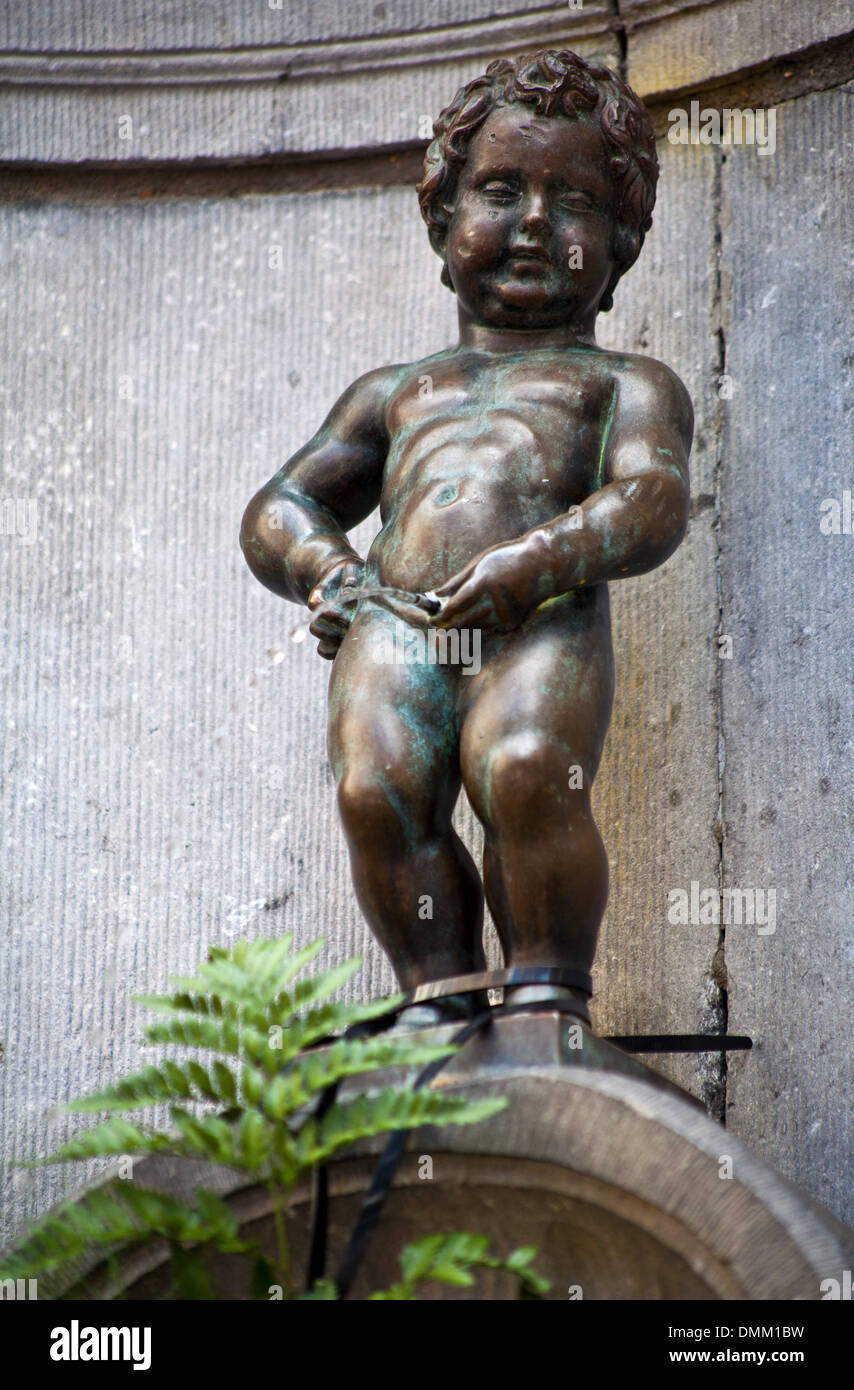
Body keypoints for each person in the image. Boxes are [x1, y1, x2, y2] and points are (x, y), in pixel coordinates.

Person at [240, 49, 693, 1020]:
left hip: (539, 616)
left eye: (573, 201)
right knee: (374, 790)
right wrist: (331, 574)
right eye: (500, 189)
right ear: (443, 223)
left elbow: (650, 501)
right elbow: (279, 506)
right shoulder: (396, 392)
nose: (534, 222)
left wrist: (535, 564)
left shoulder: (620, 384)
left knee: (528, 769)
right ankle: (435, 1001)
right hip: (395, 621)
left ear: (617, 247)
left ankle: (544, 1000)